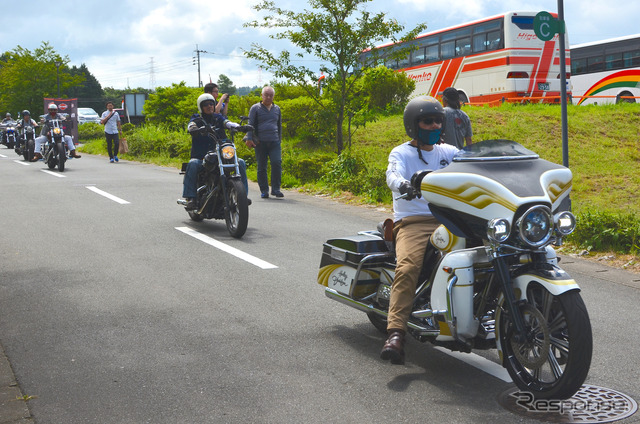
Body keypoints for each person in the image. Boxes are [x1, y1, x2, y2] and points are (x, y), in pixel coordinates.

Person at [381, 96, 459, 365]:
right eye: (428, 121)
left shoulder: (448, 151)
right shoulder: (400, 153)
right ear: (414, 125)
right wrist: (403, 185)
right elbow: (392, 174)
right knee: (408, 267)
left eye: (438, 120)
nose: (434, 125)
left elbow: (470, 164)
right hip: (414, 221)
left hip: (450, 218)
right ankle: (395, 333)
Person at [182, 93, 251, 208]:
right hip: (202, 157)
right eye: (206, 105)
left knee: (241, 162)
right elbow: (191, 124)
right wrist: (193, 128)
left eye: (211, 104)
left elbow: (227, 123)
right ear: (201, 107)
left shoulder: (217, 118)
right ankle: (191, 198)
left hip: (220, 154)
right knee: (193, 164)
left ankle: (243, 197)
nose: (209, 106)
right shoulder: (197, 119)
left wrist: (239, 127)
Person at [244, 86, 283, 198]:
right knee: (262, 166)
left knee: (276, 163)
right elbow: (250, 124)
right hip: (260, 142)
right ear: (262, 95)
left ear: (273, 96)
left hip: (274, 141)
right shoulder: (255, 108)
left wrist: (279, 139)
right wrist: (249, 138)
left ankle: (276, 189)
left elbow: (279, 125)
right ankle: (264, 190)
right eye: (266, 95)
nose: (268, 97)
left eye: (271, 95)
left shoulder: (277, 109)